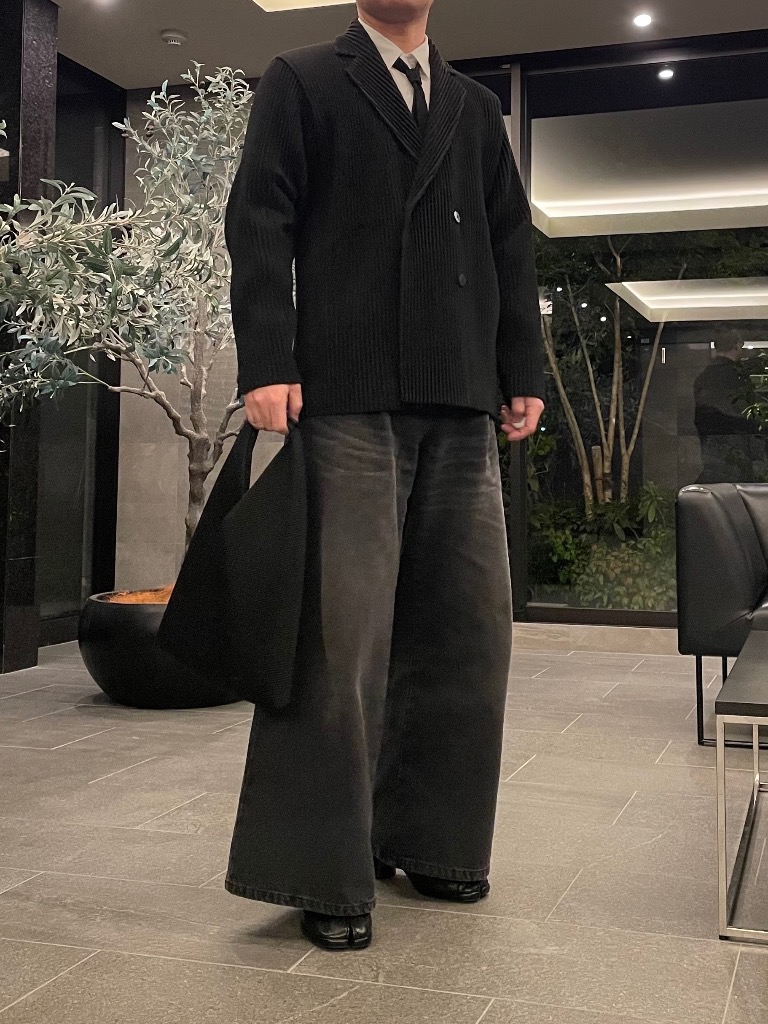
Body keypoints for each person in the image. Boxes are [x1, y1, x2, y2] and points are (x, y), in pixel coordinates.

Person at [224, 0, 545, 951]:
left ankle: (433, 840)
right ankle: (321, 869)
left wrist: (520, 369)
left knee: (467, 632)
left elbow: (509, 241)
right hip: (347, 392)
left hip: (461, 397)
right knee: (341, 644)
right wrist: (266, 360)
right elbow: (260, 219)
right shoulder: (303, 79)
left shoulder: (475, 107)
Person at [694, 329, 764, 483]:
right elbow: (745, 414)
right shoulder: (736, 377)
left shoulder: (704, 376)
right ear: (736, 345)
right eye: (741, 345)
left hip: (711, 446)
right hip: (736, 446)